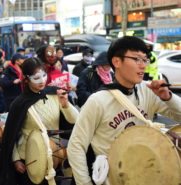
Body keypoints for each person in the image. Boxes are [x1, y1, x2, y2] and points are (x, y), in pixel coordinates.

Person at [67, 36, 181, 185]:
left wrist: (168, 97)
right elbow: (76, 146)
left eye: (145, 60)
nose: (143, 66)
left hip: (146, 174)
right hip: (114, 179)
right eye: (136, 59)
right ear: (117, 62)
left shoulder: (148, 91)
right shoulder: (98, 101)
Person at [0, 57, 79, 185]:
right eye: (36, 78)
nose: (42, 81)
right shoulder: (19, 103)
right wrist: (16, 159)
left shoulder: (54, 94)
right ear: (26, 79)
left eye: (44, 75)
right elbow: (11, 134)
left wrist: (66, 104)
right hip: (30, 157)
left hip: (54, 156)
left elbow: (75, 121)